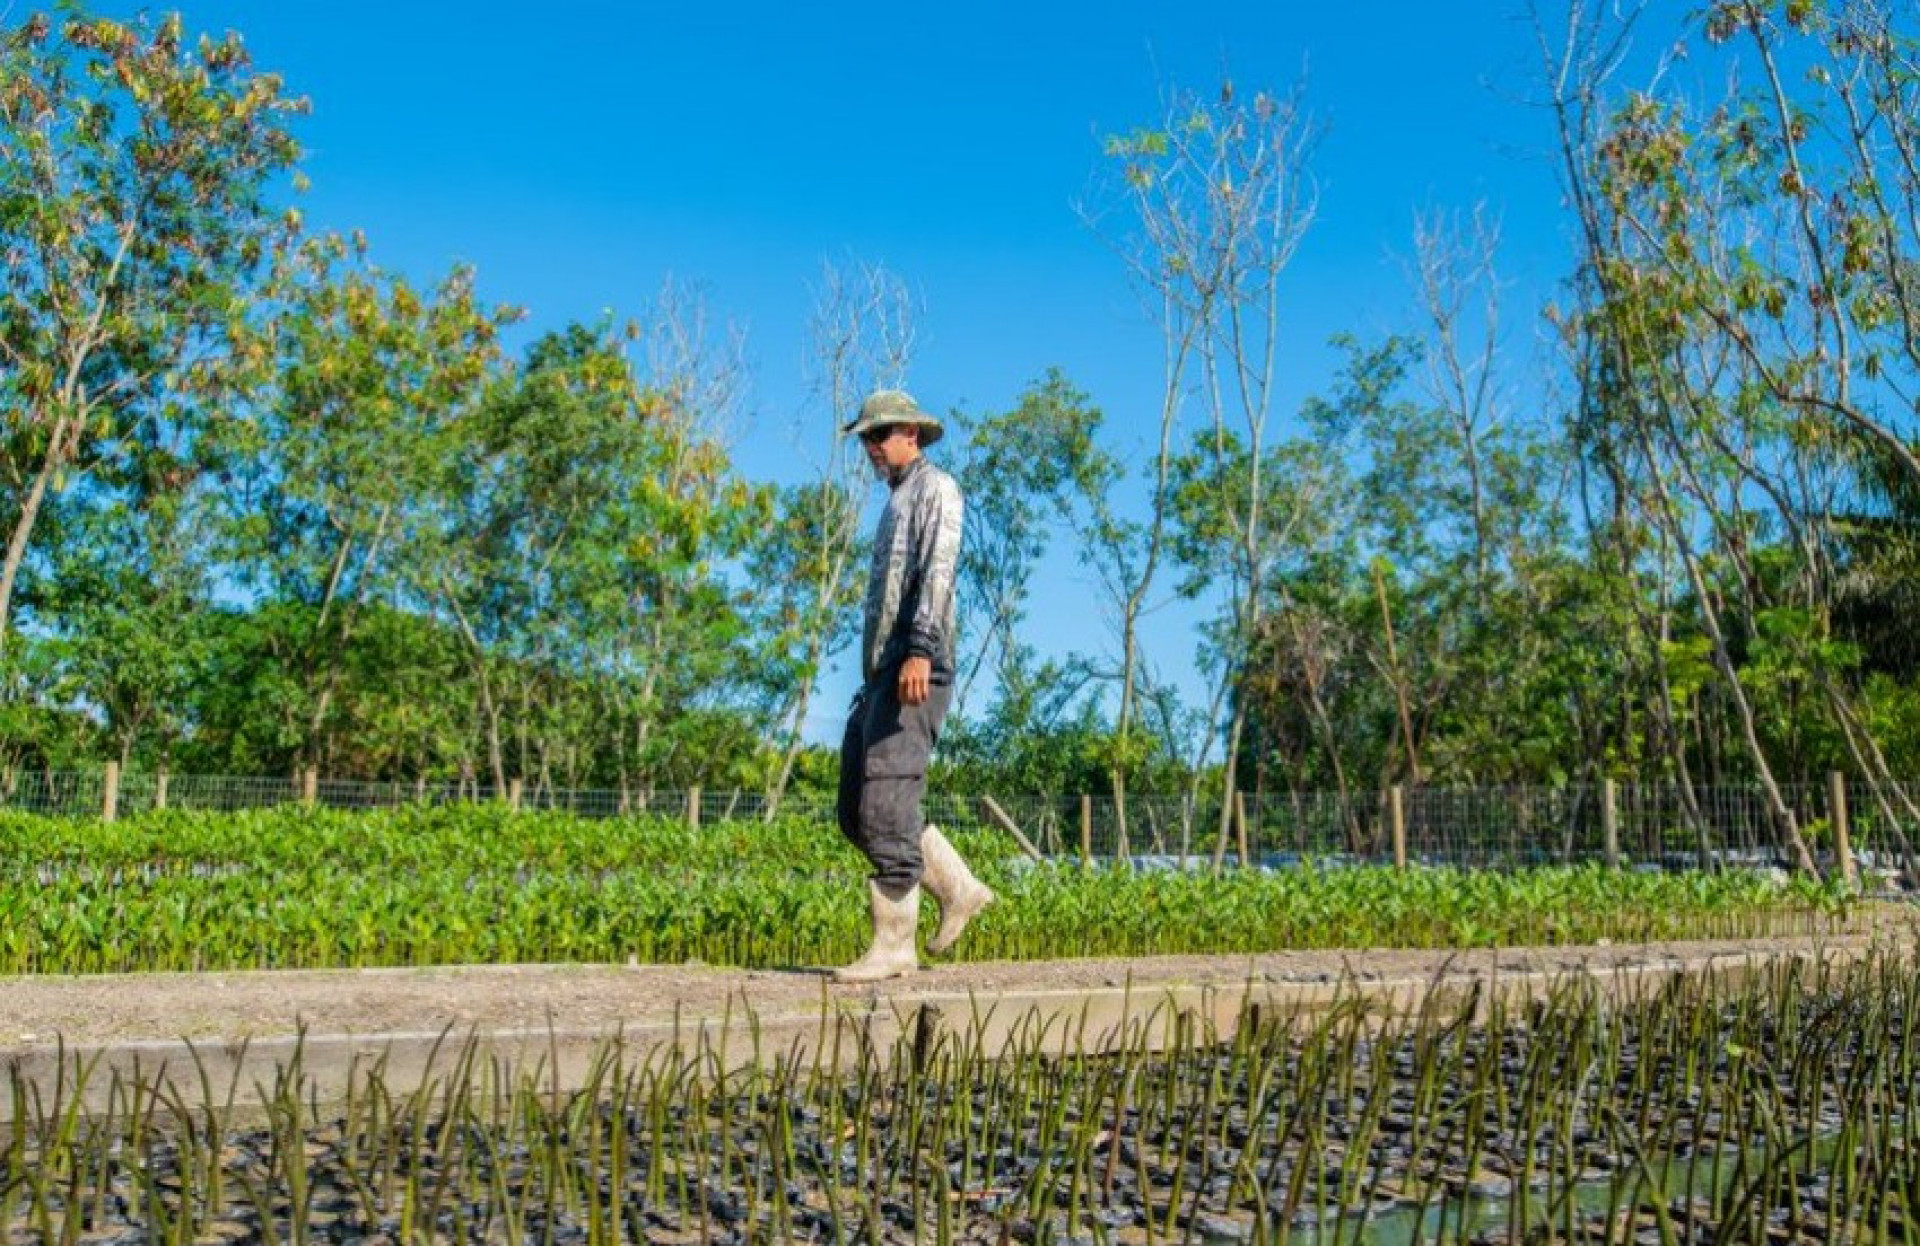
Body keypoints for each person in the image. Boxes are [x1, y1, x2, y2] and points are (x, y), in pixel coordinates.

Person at [832, 389, 994, 983]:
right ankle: (959, 887)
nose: (872, 448)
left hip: (916, 662)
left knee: (887, 801)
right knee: (856, 809)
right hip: (883, 671)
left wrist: (921, 649)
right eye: (867, 440)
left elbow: (939, 571)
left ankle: (895, 946)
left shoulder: (936, 490)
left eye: (879, 436)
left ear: (911, 434)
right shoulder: (898, 500)